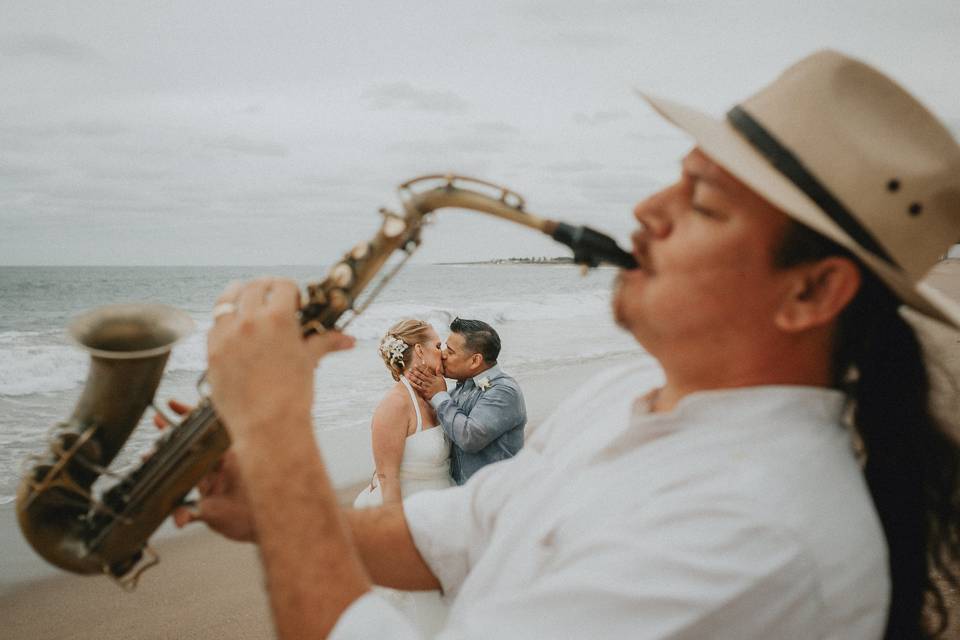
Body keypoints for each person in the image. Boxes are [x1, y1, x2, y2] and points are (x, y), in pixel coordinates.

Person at [185, 50, 960, 638]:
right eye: (674, 180)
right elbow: (443, 541)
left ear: (812, 292)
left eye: (704, 205)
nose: (647, 211)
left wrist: (276, 433)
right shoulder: (621, 398)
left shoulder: (755, 534)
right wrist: (264, 507)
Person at [407, 318, 526, 485]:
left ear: (475, 361)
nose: (443, 355)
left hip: (495, 495)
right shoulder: (458, 390)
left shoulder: (504, 391)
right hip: (463, 495)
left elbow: (469, 437)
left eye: (450, 351)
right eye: (443, 348)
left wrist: (438, 395)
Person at [353, 319, 454, 508]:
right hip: (410, 510)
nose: (443, 352)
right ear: (419, 350)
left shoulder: (436, 395)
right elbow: (387, 478)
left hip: (443, 503)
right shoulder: (395, 405)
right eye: (438, 345)